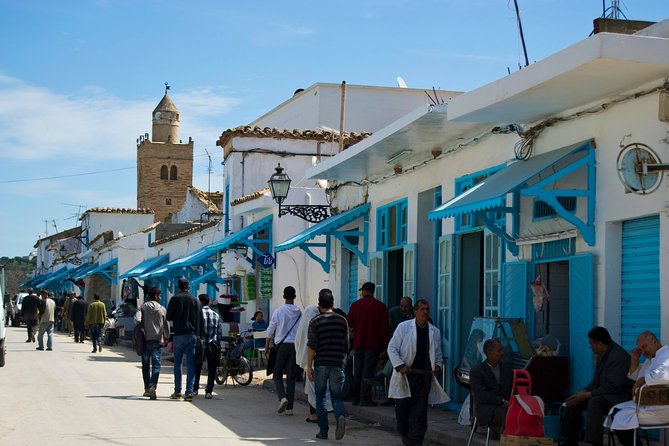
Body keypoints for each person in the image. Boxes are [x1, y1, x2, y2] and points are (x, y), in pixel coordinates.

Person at [388, 299, 450, 446]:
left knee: (420, 412)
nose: (425, 312)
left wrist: (438, 366)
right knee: (402, 411)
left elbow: (438, 355)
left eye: (427, 309)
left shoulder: (434, 331)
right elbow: (392, 348)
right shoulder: (403, 327)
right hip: (405, 375)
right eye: (422, 309)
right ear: (415, 311)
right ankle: (404, 433)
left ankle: (416, 441)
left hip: (423, 376)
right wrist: (400, 365)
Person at [561, 326, 632, 446]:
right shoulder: (601, 355)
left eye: (591, 344)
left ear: (599, 344)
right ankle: (570, 440)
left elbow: (614, 387)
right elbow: (595, 382)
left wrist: (588, 394)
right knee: (574, 401)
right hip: (605, 394)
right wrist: (582, 393)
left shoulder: (618, 357)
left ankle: (594, 442)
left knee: (594, 402)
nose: (590, 347)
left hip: (619, 396)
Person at [604, 331, 669, 445]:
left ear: (654, 341)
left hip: (660, 407)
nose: (643, 352)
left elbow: (662, 375)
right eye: (641, 349)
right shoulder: (651, 360)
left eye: (644, 347)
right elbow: (636, 377)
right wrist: (634, 359)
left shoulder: (666, 354)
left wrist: (641, 380)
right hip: (647, 404)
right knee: (615, 412)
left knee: (619, 416)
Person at [306, 289, 349, 440]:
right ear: (333, 304)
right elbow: (346, 345)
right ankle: (340, 416)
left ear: (319, 305)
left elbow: (311, 346)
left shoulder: (315, 321)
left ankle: (323, 431)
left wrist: (308, 366)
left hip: (321, 364)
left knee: (320, 397)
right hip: (337, 363)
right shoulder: (343, 320)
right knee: (336, 397)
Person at [346, 281, 389, 406]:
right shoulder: (380, 306)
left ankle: (357, 397)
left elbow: (349, 322)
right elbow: (384, 328)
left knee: (358, 370)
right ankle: (365, 397)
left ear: (364, 291)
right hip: (373, 344)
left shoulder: (355, 305)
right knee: (368, 371)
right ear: (373, 291)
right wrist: (386, 344)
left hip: (359, 343)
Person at [266, 286, 302, 415]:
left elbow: (270, 330)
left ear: (283, 296)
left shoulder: (279, 311)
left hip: (281, 346)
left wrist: (266, 347)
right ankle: (290, 409)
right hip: (295, 347)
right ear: (295, 297)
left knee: (277, 373)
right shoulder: (299, 312)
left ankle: (282, 397)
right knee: (291, 377)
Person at [296, 304, 333, 423]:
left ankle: (316, 416)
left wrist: (307, 364)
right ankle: (332, 411)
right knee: (325, 388)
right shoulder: (323, 322)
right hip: (326, 359)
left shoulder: (306, 326)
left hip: (312, 362)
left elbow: (300, 344)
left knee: (313, 389)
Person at [469, 339, 513, 437]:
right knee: (505, 412)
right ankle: (504, 436)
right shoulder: (477, 371)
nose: (502, 353)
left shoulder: (506, 369)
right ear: (489, 352)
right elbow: (481, 395)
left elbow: (510, 389)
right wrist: (501, 401)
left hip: (505, 405)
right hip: (487, 408)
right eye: (499, 351)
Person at [166, 277, 201, 402]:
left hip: (178, 335)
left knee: (178, 363)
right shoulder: (195, 300)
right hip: (191, 335)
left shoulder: (174, 299)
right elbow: (199, 320)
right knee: (191, 364)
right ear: (189, 287)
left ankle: (177, 391)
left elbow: (168, 317)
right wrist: (199, 336)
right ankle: (189, 392)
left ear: (178, 287)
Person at [134, 286, 170, 400]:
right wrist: (167, 337)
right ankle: (153, 385)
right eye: (159, 295)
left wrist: (142, 327)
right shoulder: (162, 309)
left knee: (145, 365)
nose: (160, 297)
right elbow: (166, 326)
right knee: (156, 365)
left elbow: (137, 320)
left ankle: (146, 389)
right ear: (155, 296)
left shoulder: (142, 307)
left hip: (145, 341)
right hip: (158, 341)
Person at [194, 294, 222, 400]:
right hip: (213, 345)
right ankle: (209, 391)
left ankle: (195, 388)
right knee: (212, 368)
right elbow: (219, 333)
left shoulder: (198, 313)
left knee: (197, 366)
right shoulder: (216, 315)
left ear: (200, 302)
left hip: (200, 345)